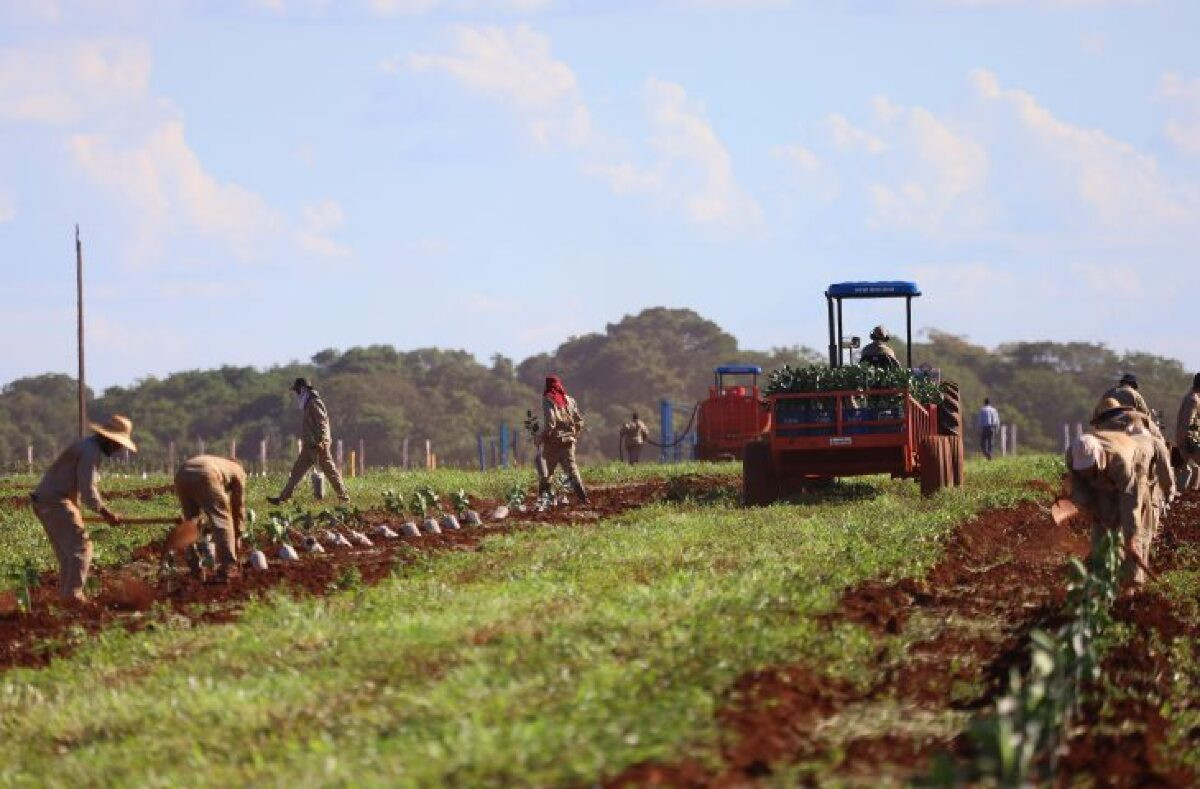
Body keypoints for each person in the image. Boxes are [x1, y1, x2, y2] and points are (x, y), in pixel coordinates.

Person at [28, 415, 134, 602]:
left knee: (68, 556)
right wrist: (106, 512)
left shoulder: (86, 445)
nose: (118, 448)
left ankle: (65, 599)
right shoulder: (90, 452)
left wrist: (76, 510)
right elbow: (87, 490)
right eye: (118, 444)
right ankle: (74, 598)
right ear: (108, 439)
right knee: (82, 548)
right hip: (55, 502)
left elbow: (74, 485)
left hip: (46, 500)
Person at [268, 378, 350, 505]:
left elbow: (322, 422)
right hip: (309, 446)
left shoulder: (314, 402)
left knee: (330, 472)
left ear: (303, 390)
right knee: (296, 472)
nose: (297, 394)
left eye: (297, 391)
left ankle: (344, 498)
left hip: (318, 446)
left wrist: (322, 441)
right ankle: (283, 498)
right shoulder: (308, 403)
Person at [174, 455, 246, 582]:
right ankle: (228, 567)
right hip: (206, 474)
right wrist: (238, 534)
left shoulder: (220, 462)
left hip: (182, 474)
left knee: (191, 521)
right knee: (223, 519)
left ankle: (194, 565)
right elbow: (238, 507)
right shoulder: (238, 471)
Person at [537, 375, 589, 504]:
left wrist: (541, 438)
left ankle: (543, 501)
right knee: (572, 470)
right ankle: (583, 497)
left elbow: (551, 422)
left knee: (546, 472)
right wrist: (573, 435)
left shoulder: (548, 399)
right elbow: (579, 421)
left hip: (553, 443)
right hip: (568, 442)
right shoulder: (570, 400)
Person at [1103, 373, 1165, 442]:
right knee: (1160, 440)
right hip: (1127, 427)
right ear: (1133, 384)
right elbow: (1146, 415)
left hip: (1104, 426)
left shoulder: (1108, 393)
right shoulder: (1135, 394)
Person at [1174, 373, 1200, 491]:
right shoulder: (1194, 400)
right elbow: (1187, 422)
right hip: (1190, 441)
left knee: (1189, 469)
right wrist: (1185, 442)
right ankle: (1189, 495)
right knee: (1189, 469)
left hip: (1186, 439)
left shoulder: (1190, 397)